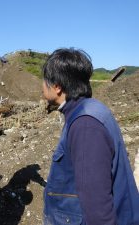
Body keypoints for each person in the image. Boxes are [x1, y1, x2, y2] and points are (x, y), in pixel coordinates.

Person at [42, 48, 139, 225]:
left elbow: (98, 211)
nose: (42, 87)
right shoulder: (86, 111)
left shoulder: (85, 125)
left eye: (44, 81)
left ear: (57, 86)